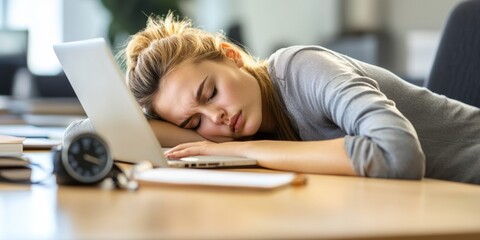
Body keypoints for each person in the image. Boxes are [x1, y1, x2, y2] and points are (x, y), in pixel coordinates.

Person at [65, 13, 480, 184]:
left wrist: (253, 153)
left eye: (210, 92)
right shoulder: (230, 128)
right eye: (192, 122)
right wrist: (186, 135)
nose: (218, 117)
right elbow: (85, 130)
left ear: (231, 57)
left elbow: (398, 156)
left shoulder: (302, 68)